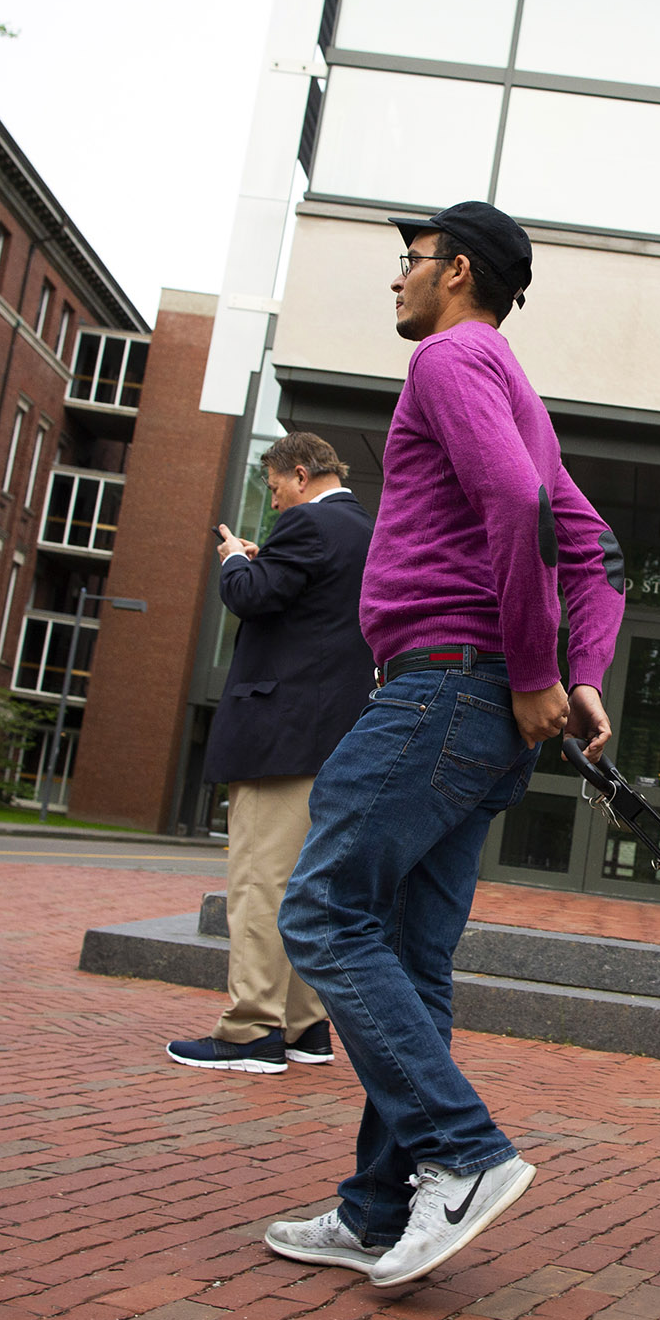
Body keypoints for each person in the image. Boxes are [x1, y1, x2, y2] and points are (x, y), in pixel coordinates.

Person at [265, 201, 625, 1291]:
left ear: (456, 270)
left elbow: (521, 504)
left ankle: (462, 1155)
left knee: (321, 912)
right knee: (412, 964)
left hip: (443, 691)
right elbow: (595, 546)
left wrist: (531, 674)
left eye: (409, 261)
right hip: (479, 703)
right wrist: (581, 673)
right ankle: (377, 1208)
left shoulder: (450, 358)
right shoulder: (515, 386)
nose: (397, 280)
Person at [166, 431, 374, 1074]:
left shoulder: (307, 523)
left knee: (261, 882)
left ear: (303, 473)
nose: (276, 500)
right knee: (309, 888)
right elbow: (306, 603)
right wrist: (263, 563)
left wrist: (234, 560)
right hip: (336, 735)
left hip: (280, 733)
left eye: (275, 485)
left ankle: (251, 1030)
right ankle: (304, 1027)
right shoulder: (366, 531)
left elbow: (253, 598)